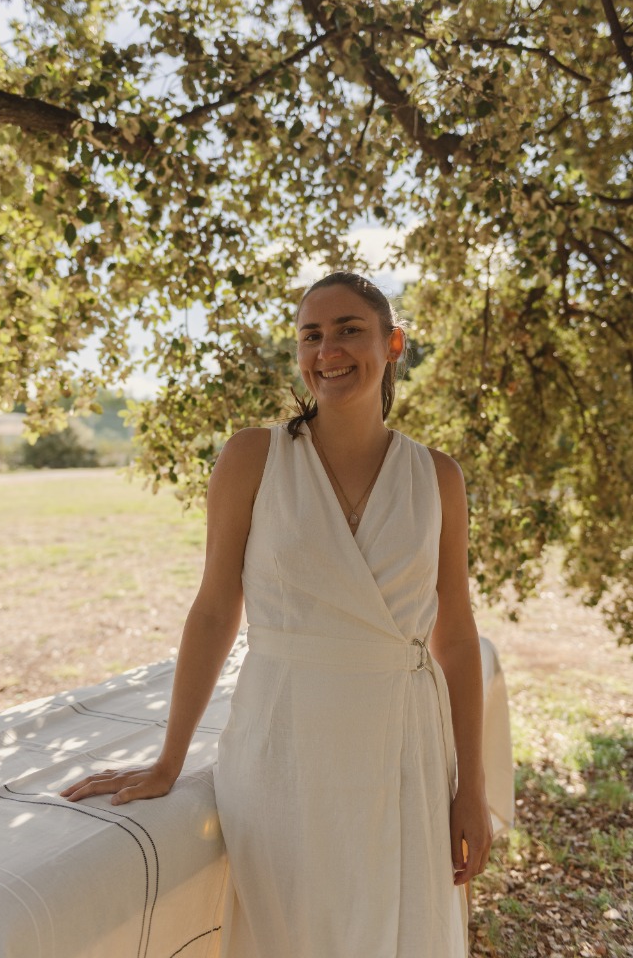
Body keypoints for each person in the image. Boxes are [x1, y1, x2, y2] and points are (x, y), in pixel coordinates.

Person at [62, 271, 493, 957]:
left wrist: (469, 787)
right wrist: (169, 759)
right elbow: (211, 611)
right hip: (283, 749)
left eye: (349, 329)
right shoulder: (252, 457)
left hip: (405, 750)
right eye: (311, 336)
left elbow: (459, 637)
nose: (328, 351)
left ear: (394, 343)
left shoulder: (437, 477)